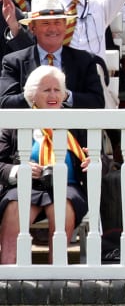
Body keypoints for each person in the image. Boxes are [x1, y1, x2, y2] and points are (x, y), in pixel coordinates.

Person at [0, 66, 91, 264]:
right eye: (46, 90)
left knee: (62, 206)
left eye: (57, 90)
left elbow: (102, 159)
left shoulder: (76, 120)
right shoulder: (15, 122)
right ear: (32, 95)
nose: (53, 95)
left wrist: (94, 161)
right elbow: (0, 162)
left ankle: (56, 275)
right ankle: (6, 273)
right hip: (25, 185)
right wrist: (19, 170)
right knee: (15, 205)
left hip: (67, 187)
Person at [0, 0, 105, 109]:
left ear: (65, 26)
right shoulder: (14, 62)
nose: (52, 29)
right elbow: (4, 102)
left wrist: (64, 95)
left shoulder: (85, 60)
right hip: (29, 126)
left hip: (71, 125)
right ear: (32, 27)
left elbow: (97, 102)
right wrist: (33, 95)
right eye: (45, 23)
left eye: (57, 22)